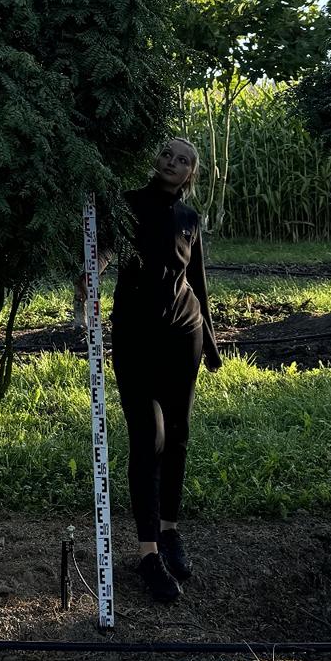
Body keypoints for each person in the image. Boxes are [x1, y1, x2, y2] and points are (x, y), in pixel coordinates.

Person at [110, 137, 222, 603]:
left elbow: (196, 281)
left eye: (183, 160)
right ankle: (148, 553)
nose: (172, 163)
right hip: (136, 337)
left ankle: (170, 530)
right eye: (166, 155)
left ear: (191, 173)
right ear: (155, 161)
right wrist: (89, 269)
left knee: (177, 434)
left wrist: (211, 344)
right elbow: (103, 249)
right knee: (147, 437)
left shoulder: (190, 219)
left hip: (185, 335)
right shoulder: (127, 204)